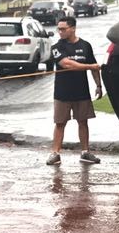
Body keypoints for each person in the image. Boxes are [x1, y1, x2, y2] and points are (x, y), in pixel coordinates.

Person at [45, 15, 104, 166]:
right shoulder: (57, 47)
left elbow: (94, 67)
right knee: (60, 123)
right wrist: (90, 67)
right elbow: (67, 64)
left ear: (73, 28)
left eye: (63, 29)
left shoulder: (86, 45)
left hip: (81, 92)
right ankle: (55, 153)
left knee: (83, 122)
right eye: (58, 29)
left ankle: (85, 152)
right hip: (62, 93)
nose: (60, 32)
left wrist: (98, 85)